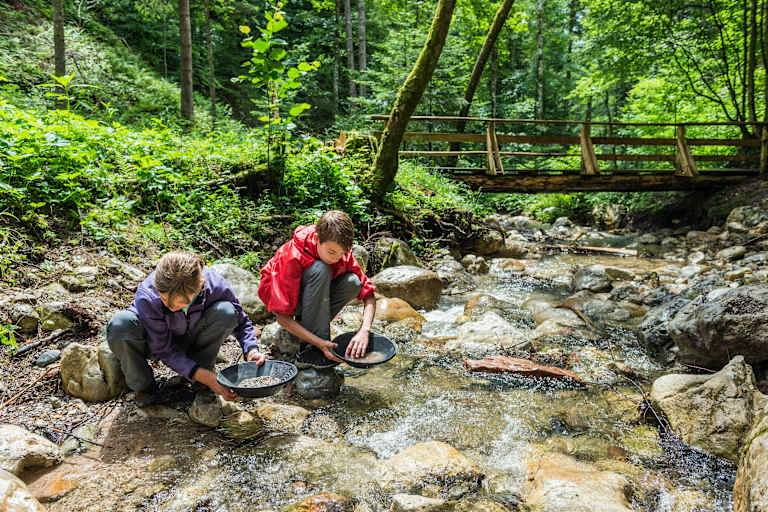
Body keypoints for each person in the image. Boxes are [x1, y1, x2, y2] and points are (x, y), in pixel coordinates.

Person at [107, 251, 266, 406]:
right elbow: (164, 350)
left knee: (226, 311)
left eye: (179, 304)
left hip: (193, 337)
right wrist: (209, 377)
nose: (169, 306)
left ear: (199, 287)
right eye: (164, 299)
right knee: (120, 324)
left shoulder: (214, 284)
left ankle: (199, 377)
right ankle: (145, 388)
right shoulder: (147, 295)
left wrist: (251, 349)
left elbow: (240, 319)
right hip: (155, 342)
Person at [258, 210, 376, 368]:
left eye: (342, 254)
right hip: (285, 298)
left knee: (353, 282)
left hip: (312, 295)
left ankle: (310, 331)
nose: (336, 258)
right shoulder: (292, 256)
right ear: (316, 239)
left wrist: (364, 330)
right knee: (321, 269)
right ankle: (310, 351)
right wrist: (319, 342)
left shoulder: (340, 252)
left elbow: (369, 295)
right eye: (332, 252)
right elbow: (282, 318)